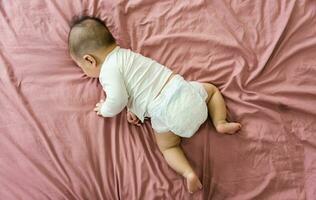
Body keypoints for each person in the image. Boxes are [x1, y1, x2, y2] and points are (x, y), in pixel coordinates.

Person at [68, 16, 241, 193]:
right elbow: (141, 85)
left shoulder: (107, 72)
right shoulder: (128, 55)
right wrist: (132, 107)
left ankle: (188, 173)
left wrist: (104, 109)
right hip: (182, 91)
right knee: (211, 91)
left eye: (81, 66)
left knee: (168, 147)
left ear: (89, 60)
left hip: (165, 113)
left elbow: (118, 99)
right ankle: (220, 122)